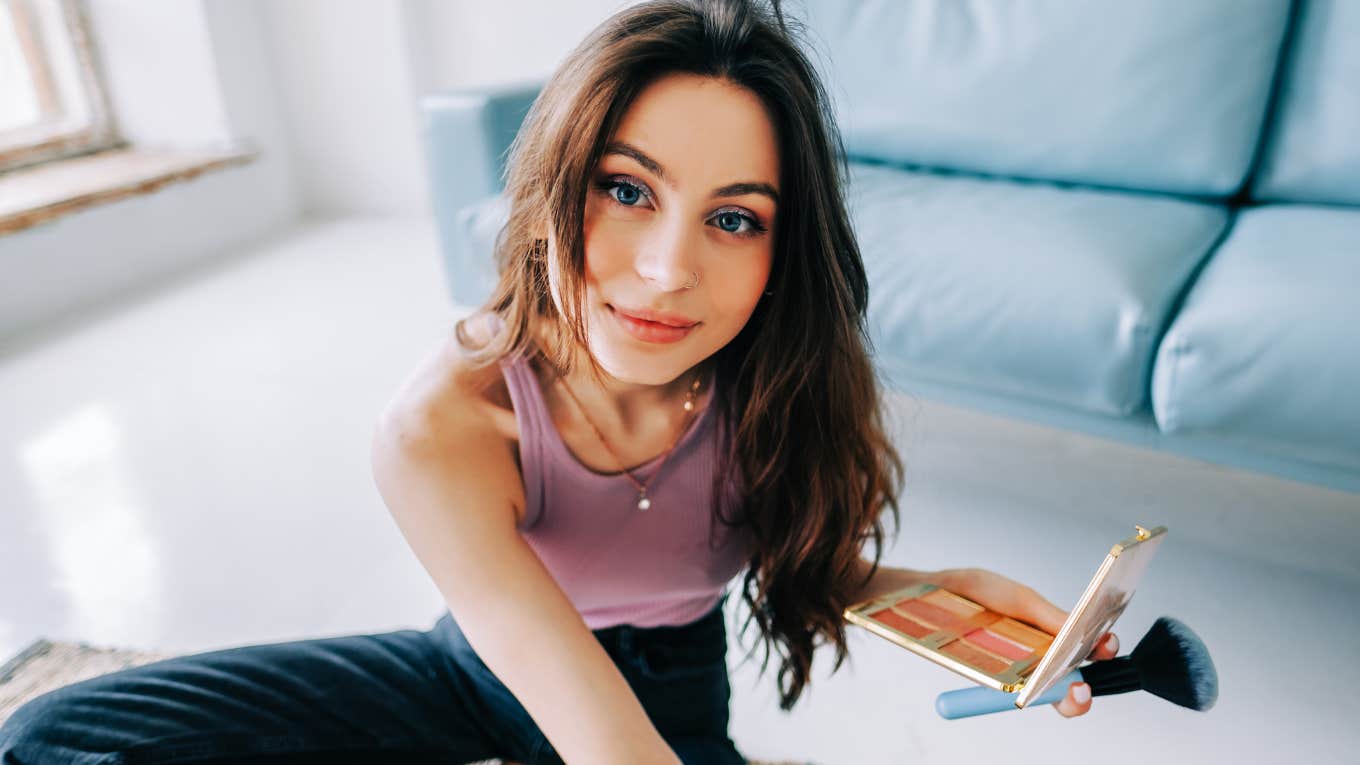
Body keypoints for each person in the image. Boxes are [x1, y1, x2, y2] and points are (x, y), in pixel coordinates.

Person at [0, 1, 1117, 763]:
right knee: (54, 740)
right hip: (483, 666)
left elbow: (797, 576)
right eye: (625, 191)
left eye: (734, 219)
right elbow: (566, 697)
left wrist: (941, 603)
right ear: (550, 190)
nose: (668, 269)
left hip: (675, 694)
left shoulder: (770, 377)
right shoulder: (443, 424)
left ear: (782, 251)